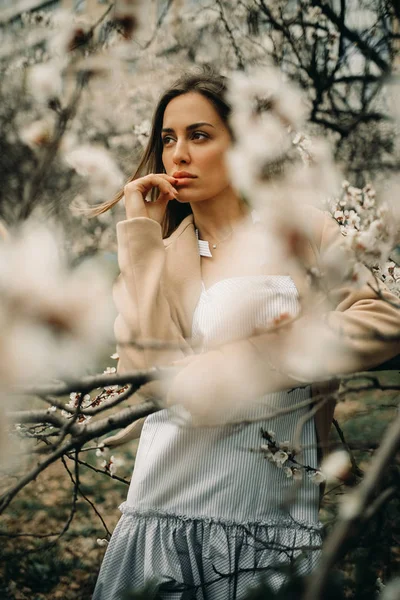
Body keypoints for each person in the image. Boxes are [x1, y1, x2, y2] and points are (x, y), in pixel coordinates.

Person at [92, 71, 400, 599]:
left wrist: (262, 357)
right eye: (168, 139)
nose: (178, 155)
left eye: (199, 135)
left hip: (269, 514)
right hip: (165, 509)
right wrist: (141, 241)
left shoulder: (300, 231)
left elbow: (386, 316)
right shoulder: (159, 257)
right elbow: (149, 380)